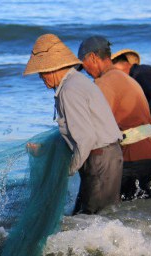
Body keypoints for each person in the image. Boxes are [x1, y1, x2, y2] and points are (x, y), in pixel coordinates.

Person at [24, 34, 123, 214]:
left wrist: (68, 170)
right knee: (92, 218)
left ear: (52, 68)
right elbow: (75, 133)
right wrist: (45, 149)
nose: (40, 78)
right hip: (105, 157)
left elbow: (86, 138)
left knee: (93, 220)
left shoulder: (69, 90)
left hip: (100, 159)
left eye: (41, 72)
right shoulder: (76, 82)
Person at [77, 36, 151, 200]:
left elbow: (95, 125)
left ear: (93, 58)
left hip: (133, 159)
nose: (86, 72)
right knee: (143, 214)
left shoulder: (104, 83)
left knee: (118, 214)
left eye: (84, 66)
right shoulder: (127, 78)